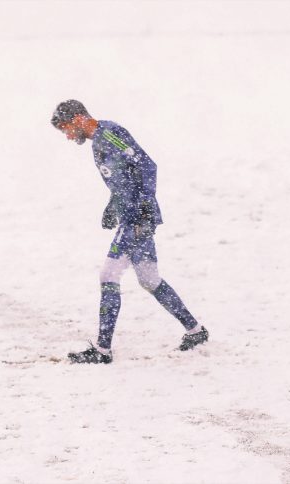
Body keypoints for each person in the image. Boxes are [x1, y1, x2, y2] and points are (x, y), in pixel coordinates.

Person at [51, 99, 209, 364]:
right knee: (149, 279)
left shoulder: (110, 133)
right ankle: (195, 331)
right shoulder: (97, 143)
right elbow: (126, 177)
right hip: (131, 216)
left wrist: (145, 204)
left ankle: (102, 351)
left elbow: (147, 166)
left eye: (66, 128)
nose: (67, 136)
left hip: (137, 219)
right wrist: (113, 204)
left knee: (108, 275)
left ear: (78, 118)